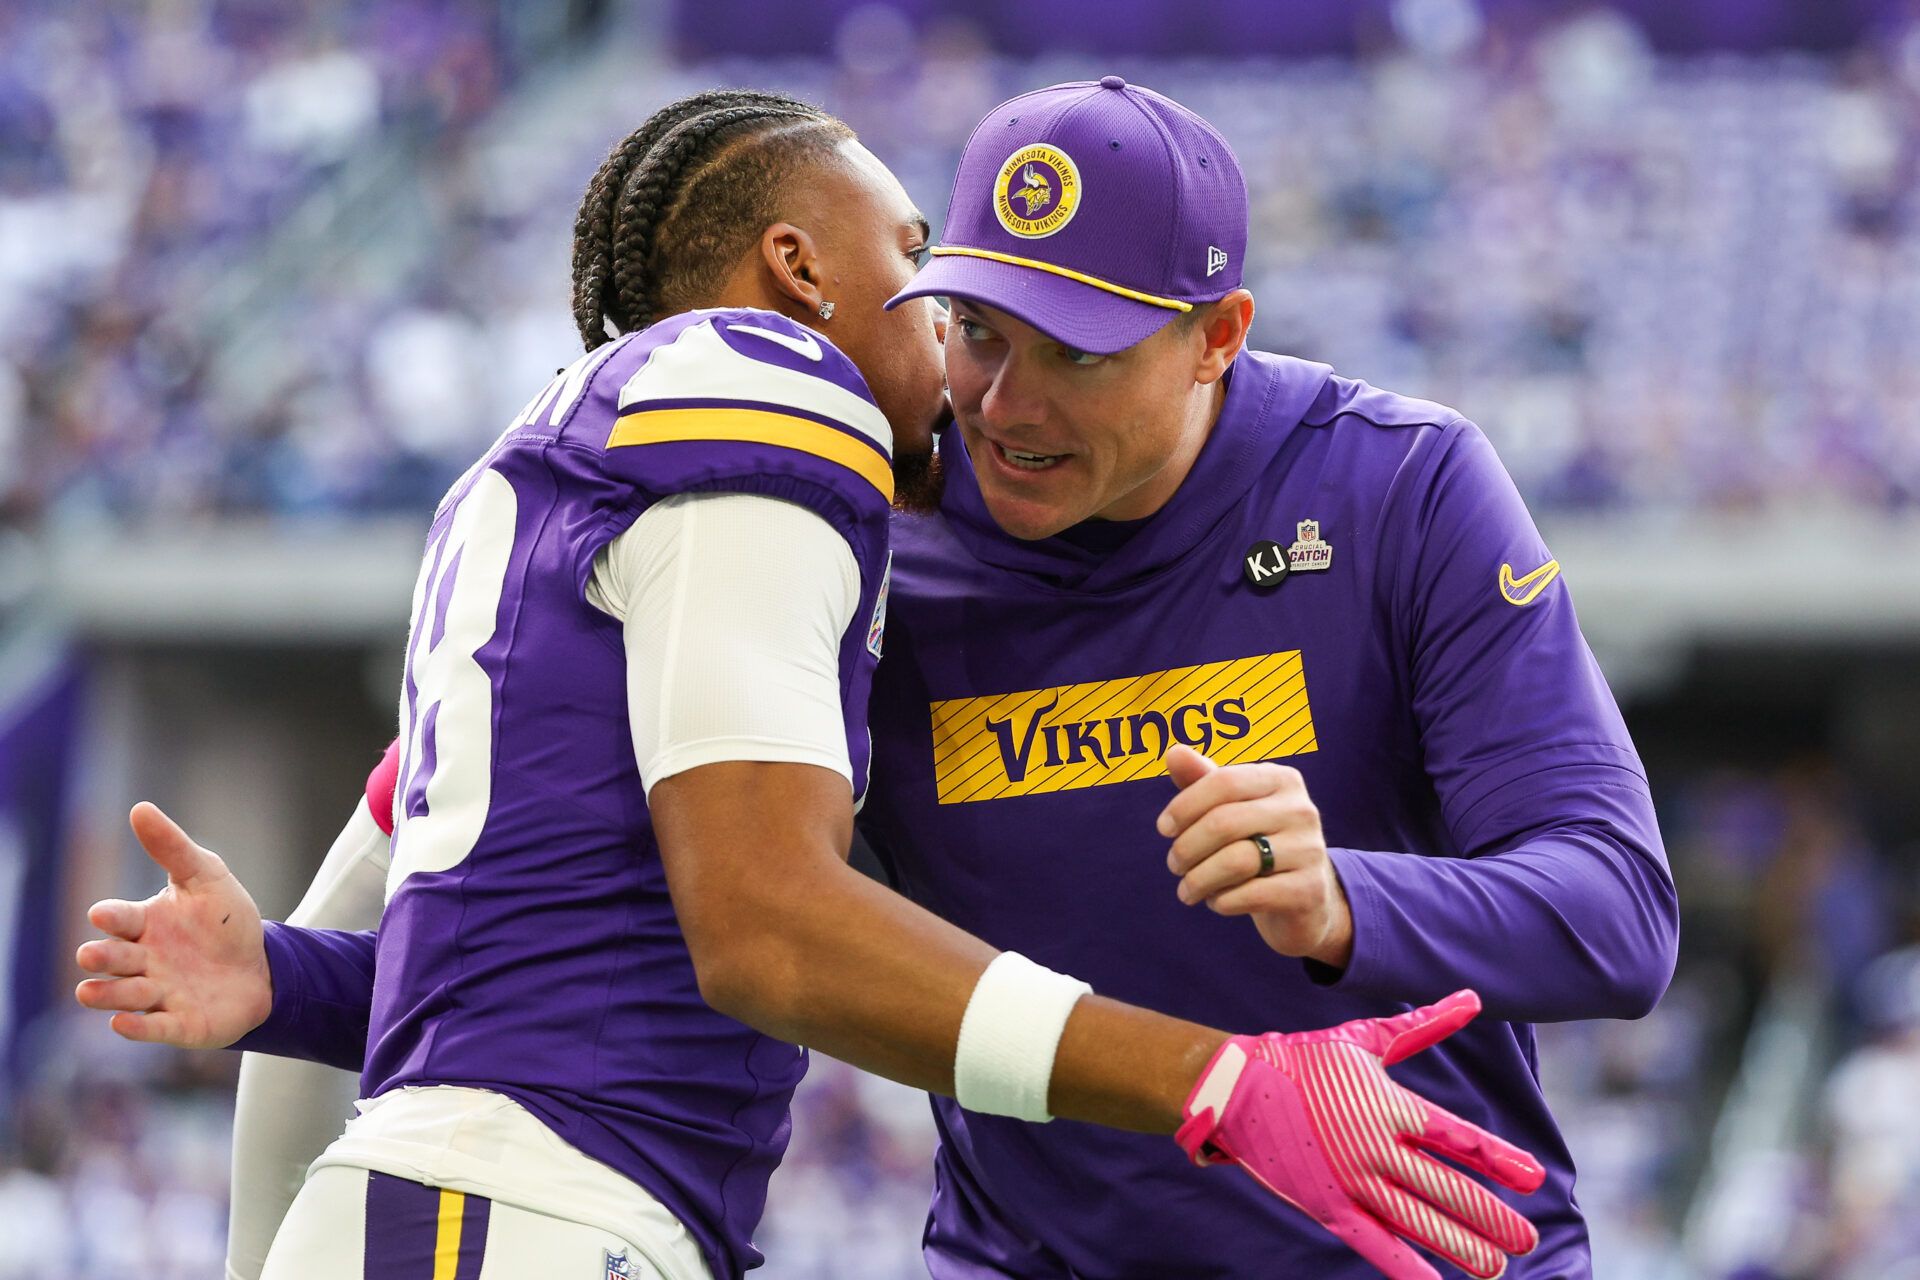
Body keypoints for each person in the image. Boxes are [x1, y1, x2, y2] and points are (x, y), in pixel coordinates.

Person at [74, 89, 1544, 1280]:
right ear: (798, 270)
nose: (966, 363)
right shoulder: (767, 382)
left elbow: (492, 934)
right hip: (521, 1211)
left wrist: (285, 981)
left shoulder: (581, 476)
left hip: (511, 1206)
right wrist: (1216, 1082)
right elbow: (765, 932)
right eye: (922, 266)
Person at [855, 76, 1680, 1278]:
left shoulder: (1400, 486)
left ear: (1220, 335)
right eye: (977, 329)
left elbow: (1620, 912)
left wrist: (1345, 899)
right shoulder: (874, 531)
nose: (1004, 403)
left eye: (1078, 352)